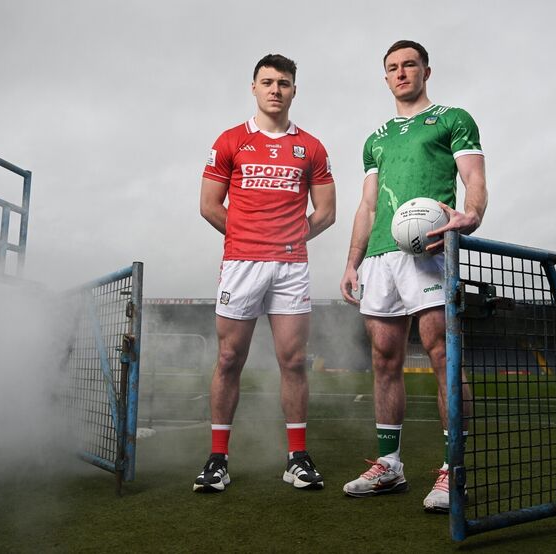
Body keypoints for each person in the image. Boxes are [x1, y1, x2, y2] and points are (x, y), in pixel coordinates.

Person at [339, 40, 487, 512]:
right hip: (381, 256)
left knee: (444, 353)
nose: (401, 73)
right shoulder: (375, 138)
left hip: (429, 248)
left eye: (409, 65)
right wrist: (351, 260)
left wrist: (472, 214)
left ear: (426, 70)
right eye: (392, 68)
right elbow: (366, 204)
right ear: (385, 77)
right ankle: (390, 466)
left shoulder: (452, 118)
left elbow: (474, 178)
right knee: (384, 360)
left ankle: (454, 470)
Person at [196, 53, 336, 492]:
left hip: (291, 267)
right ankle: (218, 460)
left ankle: (297, 457)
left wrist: (290, 240)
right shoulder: (230, 140)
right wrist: (245, 237)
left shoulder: (311, 146)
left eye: (284, 83)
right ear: (254, 88)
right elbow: (208, 205)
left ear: (295, 90)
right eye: (268, 82)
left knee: (293, 361)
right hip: (241, 265)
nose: (276, 89)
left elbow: (327, 212)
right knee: (229, 359)